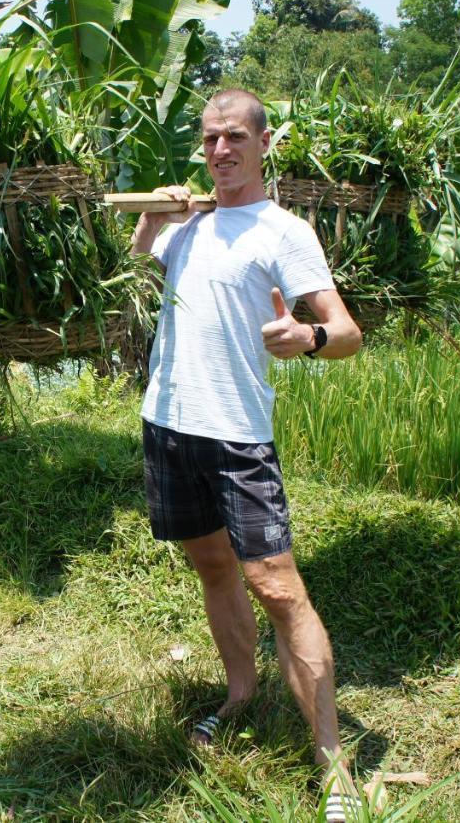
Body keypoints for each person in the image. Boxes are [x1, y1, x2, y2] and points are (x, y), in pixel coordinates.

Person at [131, 88, 363, 821]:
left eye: (235, 137)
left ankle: (333, 764)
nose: (221, 151)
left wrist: (309, 338)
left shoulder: (284, 231)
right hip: (168, 422)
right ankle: (240, 694)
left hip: (236, 434)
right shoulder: (189, 225)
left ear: (265, 144)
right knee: (210, 565)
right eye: (209, 140)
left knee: (279, 587)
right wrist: (153, 213)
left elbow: (348, 331)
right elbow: (143, 258)